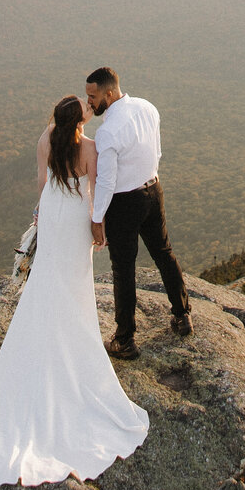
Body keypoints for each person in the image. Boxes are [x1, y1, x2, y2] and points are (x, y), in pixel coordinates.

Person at [0, 95, 149, 484]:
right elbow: (98, 190)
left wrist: (47, 212)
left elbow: (41, 184)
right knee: (74, 283)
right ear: (83, 118)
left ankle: (39, 344)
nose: (89, 103)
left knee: (46, 279)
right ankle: (72, 343)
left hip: (52, 211)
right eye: (85, 104)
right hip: (74, 218)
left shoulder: (46, 138)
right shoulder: (92, 148)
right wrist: (98, 227)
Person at [86, 67, 191, 360]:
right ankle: (182, 315)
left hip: (123, 202)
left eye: (93, 97)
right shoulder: (147, 107)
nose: (89, 103)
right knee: (163, 252)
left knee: (123, 268)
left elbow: (106, 181)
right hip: (153, 189)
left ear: (109, 93)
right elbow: (156, 151)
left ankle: (125, 340)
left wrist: (97, 219)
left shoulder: (107, 131)